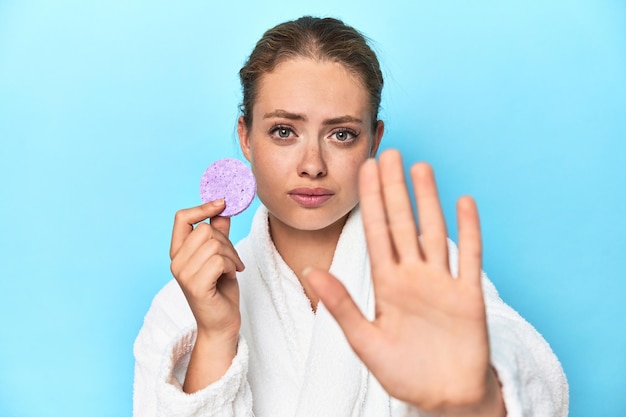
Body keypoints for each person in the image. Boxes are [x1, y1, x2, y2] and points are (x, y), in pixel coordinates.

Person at [133, 16, 568, 417]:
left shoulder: (429, 274)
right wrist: (215, 335)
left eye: (341, 134)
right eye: (284, 131)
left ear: (373, 140)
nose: (313, 165)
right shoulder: (180, 307)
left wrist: (480, 398)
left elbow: (530, 372)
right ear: (245, 137)